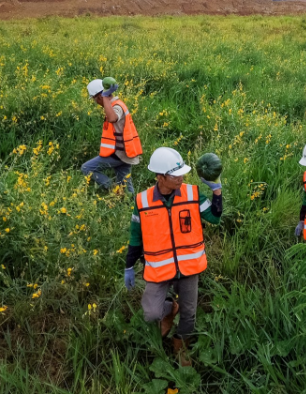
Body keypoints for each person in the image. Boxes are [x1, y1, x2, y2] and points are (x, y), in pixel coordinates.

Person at [124, 147, 223, 366]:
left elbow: (215, 217)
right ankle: (170, 309)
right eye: (174, 175)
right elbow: (135, 236)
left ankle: (180, 345)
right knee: (151, 313)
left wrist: (217, 191)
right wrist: (129, 266)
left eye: (182, 173)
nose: (181, 178)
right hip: (159, 268)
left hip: (189, 266)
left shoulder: (193, 194)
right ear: (160, 177)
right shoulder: (142, 201)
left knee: (189, 314)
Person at [81, 78, 142, 193]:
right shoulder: (116, 104)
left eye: (95, 99)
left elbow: (113, 118)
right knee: (126, 186)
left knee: (87, 168)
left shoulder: (116, 106)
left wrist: (105, 98)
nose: (96, 102)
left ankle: (115, 190)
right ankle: (131, 206)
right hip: (125, 152)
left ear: (99, 97)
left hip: (118, 153)